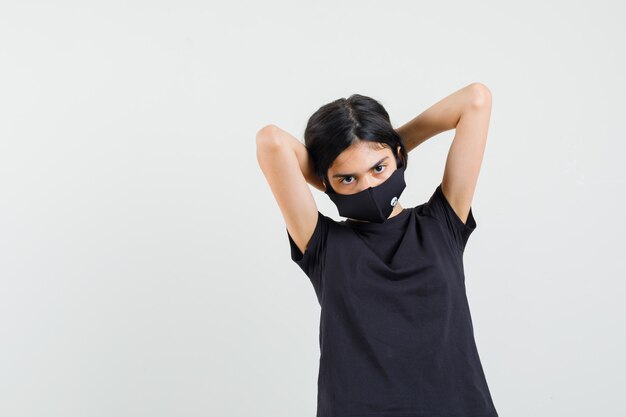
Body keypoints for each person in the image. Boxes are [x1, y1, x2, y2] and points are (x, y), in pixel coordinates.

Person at [256, 83, 497, 417]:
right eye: (348, 178)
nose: (368, 185)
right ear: (327, 183)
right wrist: (344, 163)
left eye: (378, 168)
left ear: (398, 157)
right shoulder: (323, 244)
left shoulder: (442, 222)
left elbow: (475, 100)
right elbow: (272, 141)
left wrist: (387, 141)